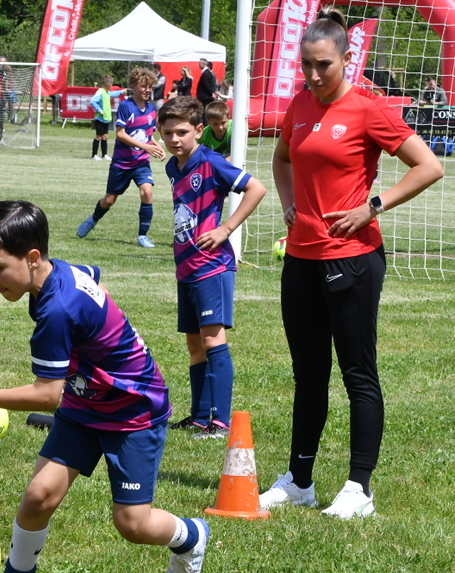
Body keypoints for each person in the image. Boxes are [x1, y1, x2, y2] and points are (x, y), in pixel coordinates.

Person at [0, 201, 209, 573]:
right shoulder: (57, 274)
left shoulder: (57, 310)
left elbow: (46, 396)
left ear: (32, 258)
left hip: (132, 411)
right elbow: (92, 275)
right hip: (85, 403)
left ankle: (191, 537)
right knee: (39, 496)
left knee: (132, 524)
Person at [261, 8, 443, 518]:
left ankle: (358, 488)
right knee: (308, 375)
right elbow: (282, 158)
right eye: (306, 64)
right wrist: (289, 202)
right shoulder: (299, 104)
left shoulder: (368, 108)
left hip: (354, 260)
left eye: (323, 64)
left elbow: (429, 166)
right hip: (301, 258)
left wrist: (372, 206)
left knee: (357, 374)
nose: (314, 74)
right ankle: (299, 481)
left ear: (346, 59)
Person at [157, 96, 266, 439]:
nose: (174, 139)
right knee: (194, 344)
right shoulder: (172, 167)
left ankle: (220, 423)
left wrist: (225, 229)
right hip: (186, 266)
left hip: (212, 266)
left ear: (198, 130)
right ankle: (199, 416)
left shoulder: (211, 161)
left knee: (212, 339)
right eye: (168, 133)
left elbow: (256, 188)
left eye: (182, 132)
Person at [77, 67, 163, 248]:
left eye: (150, 87)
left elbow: (148, 135)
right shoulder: (126, 106)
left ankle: (142, 236)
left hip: (141, 162)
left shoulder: (151, 109)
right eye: (143, 86)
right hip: (122, 164)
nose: (147, 90)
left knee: (147, 192)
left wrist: (156, 146)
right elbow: (121, 134)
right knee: (109, 200)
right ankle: (93, 219)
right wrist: (147, 147)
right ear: (133, 86)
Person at [88, 74, 124, 160]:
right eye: (111, 83)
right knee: (99, 136)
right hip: (100, 118)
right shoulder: (100, 92)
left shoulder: (107, 92)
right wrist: (100, 110)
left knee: (105, 136)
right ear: (108, 84)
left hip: (106, 118)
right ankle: (94, 155)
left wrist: (122, 91)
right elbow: (92, 101)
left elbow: (113, 93)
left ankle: (104, 155)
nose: (111, 85)